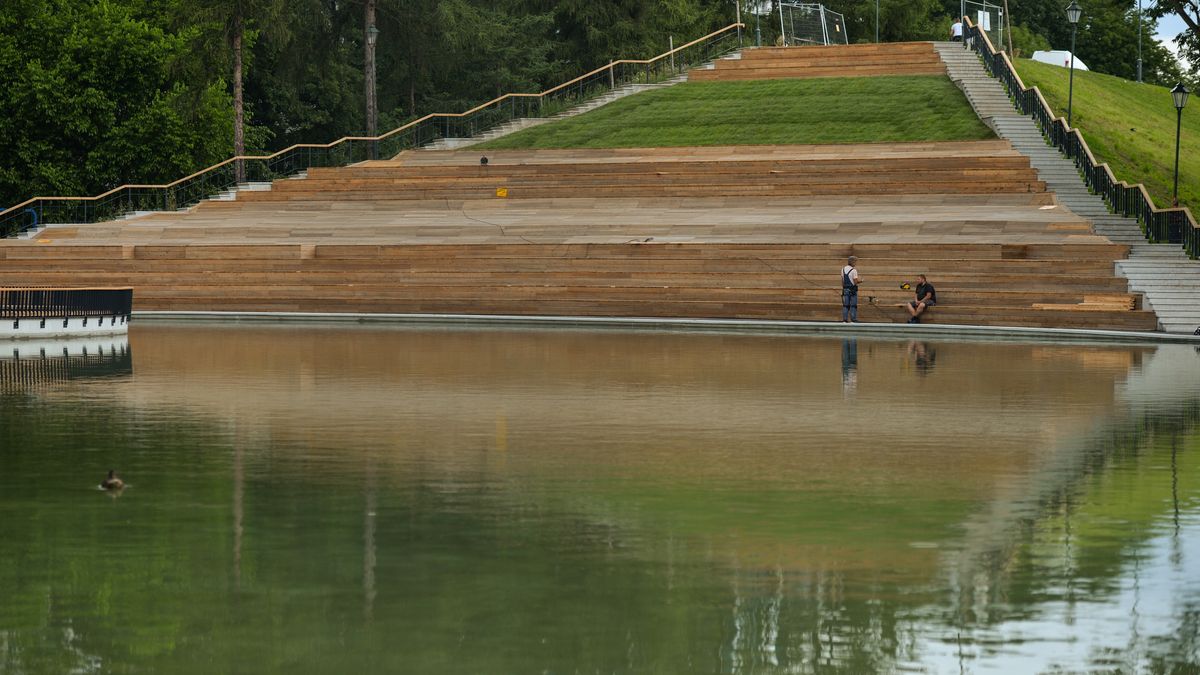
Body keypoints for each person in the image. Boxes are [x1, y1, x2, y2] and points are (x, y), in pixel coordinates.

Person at [841, 256, 861, 323]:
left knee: (846, 305)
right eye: (855, 262)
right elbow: (855, 282)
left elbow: (842, 281)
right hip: (852, 290)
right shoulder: (854, 270)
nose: (855, 263)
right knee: (853, 305)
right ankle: (853, 319)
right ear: (852, 262)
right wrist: (861, 281)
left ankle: (845, 319)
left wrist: (843, 289)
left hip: (845, 289)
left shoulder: (843, 269)